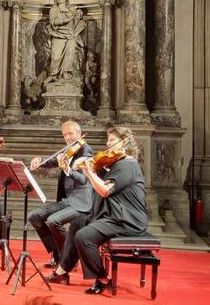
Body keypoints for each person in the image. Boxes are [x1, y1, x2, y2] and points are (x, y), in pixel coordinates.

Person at [46, 126, 148, 295]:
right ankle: (63, 270)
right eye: (108, 140)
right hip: (112, 213)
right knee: (78, 222)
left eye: (112, 140)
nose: (107, 144)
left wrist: (87, 170)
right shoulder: (117, 163)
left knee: (84, 236)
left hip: (126, 219)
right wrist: (81, 167)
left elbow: (105, 190)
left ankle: (102, 279)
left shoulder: (128, 165)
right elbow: (97, 175)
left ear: (125, 142)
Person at [28, 120, 94, 268]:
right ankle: (60, 254)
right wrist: (39, 161)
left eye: (70, 133)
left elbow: (84, 179)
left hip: (81, 202)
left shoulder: (86, 151)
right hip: (66, 200)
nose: (67, 137)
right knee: (34, 216)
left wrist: (68, 169)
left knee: (53, 221)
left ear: (78, 133)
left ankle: (68, 258)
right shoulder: (68, 150)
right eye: (64, 135)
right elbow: (52, 161)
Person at [45, 0, 86, 82]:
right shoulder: (54, 10)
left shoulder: (71, 9)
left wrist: (78, 15)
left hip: (70, 35)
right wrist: (65, 20)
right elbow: (53, 21)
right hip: (58, 34)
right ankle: (53, 74)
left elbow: (77, 21)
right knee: (55, 56)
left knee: (71, 51)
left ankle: (66, 72)